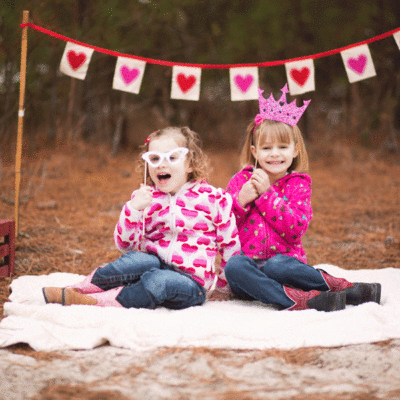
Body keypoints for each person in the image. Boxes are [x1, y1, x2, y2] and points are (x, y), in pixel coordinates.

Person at [42, 126, 240, 309]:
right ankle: (77, 290)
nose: (162, 164)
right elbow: (125, 245)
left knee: (159, 280)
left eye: (172, 157)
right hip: (151, 265)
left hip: (191, 283)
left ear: (189, 164)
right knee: (134, 261)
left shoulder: (214, 198)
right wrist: (133, 209)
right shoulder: (146, 199)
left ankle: (94, 301)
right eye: (154, 159)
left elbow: (230, 245)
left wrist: (224, 287)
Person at [224, 85, 381, 311]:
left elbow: (296, 228)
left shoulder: (298, 184)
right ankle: (296, 299)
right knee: (234, 266)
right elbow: (224, 228)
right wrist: (240, 202)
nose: (275, 153)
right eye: (266, 147)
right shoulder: (241, 181)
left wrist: (267, 195)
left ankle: (334, 286)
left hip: (286, 269)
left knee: (276, 265)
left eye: (282, 146)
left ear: (295, 150)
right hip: (250, 278)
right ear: (255, 151)